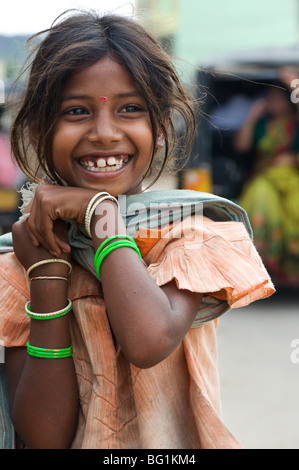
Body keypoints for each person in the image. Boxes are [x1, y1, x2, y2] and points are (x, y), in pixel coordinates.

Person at [0, 10, 274, 449]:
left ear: (161, 127)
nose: (105, 133)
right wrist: (47, 275)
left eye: (130, 109)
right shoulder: (22, 260)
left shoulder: (192, 236)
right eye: (76, 111)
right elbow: (44, 437)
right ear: (38, 128)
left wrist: (100, 217)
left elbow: (148, 341)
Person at [234, 68, 299, 286]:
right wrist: (252, 116)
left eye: (274, 97)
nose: (269, 101)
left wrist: (294, 86)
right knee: (262, 197)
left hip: (291, 178)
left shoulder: (294, 124)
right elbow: (241, 146)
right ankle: (261, 259)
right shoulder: (262, 124)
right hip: (264, 177)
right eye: (267, 97)